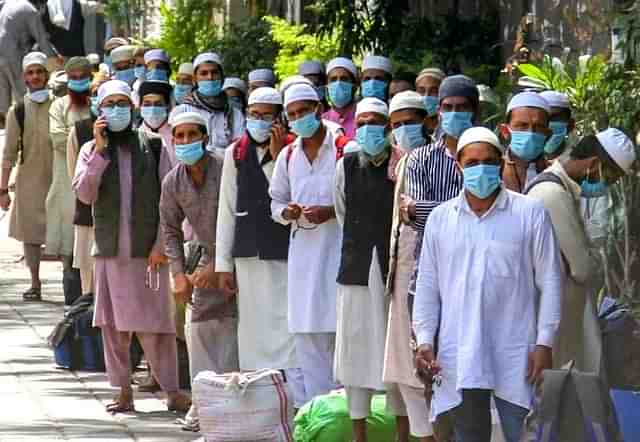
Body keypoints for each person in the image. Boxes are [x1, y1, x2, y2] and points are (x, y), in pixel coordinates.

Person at [413, 127, 564, 442]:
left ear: (500, 163)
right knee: (469, 435)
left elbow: (550, 280)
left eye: (489, 161)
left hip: (516, 351)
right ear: (458, 165)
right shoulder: (441, 219)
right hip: (460, 353)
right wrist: (425, 340)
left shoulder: (529, 213)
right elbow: (428, 286)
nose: (480, 168)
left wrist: (544, 343)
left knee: (524, 434)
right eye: (472, 162)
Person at [72, 80, 190, 414]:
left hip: (148, 253)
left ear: (133, 108)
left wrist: (160, 246)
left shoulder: (152, 145)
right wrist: (99, 151)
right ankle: (123, 391)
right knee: (113, 327)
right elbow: (84, 194)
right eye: (111, 104)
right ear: (100, 110)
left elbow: (171, 201)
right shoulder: (90, 150)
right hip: (110, 253)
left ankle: (171, 391)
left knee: (156, 326)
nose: (118, 110)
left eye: (124, 103)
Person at [216, 87, 302, 404]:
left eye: (268, 116)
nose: (260, 122)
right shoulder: (235, 154)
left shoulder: (295, 151)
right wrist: (223, 266)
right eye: (255, 115)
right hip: (249, 254)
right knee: (254, 329)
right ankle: (259, 399)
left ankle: (292, 398)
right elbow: (226, 210)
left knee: (288, 326)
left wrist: (279, 157)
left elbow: (296, 196)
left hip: (285, 253)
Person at [526, 128, 636, 371]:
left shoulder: (565, 191)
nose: (607, 184)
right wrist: (591, 258)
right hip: (550, 321)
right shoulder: (551, 194)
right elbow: (583, 268)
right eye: (610, 177)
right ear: (594, 163)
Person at [160, 111, 239, 431]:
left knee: (235, 334)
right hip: (203, 260)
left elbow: (240, 217)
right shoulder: (173, 180)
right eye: (179, 136)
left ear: (205, 137)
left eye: (192, 135)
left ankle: (235, 405)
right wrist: (178, 274)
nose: (185, 141)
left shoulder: (226, 168)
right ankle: (205, 406)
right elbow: (170, 230)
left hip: (237, 259)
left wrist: (220, 264)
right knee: (200, 332)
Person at [269, 83, 341, 405]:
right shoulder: (287, 155)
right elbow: (275, 202)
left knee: (340, 336)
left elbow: (360, 200)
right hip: (302, 256)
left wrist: (331, 212)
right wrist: (287, 212)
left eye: (304, 110)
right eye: (293, 114)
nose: (300, 118)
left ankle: (345, 417)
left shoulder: (342, 146)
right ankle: (318, 416)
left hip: (338, 253)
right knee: (307, 338)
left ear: (318, 108)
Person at [333, 97, 394, 442]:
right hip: (356, 267)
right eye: (364, 121)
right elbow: (342, 211)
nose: (370, 127)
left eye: (377, 121)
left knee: (394, 353)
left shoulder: (401, 163)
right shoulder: (346, 165)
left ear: (387, 127)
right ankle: (359, 435)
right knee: (356, 354)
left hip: (391, 270)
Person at [382, 91, 434, 442]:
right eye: (396, 124)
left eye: (410, 121)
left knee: (424, 361)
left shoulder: (439, 159)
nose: (403, 129)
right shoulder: (400, 162)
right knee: (403, 365)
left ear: (428, 122)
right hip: (401, 273)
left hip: (429, 272)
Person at [0, 52, 54, 301]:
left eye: (39, 71)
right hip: (28, 181)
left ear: (47, 74)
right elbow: (9, 153)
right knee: (31, 234)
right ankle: (35, 282)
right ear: (25, 77)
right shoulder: (18, 111)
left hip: (59, 178)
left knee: (64, 230)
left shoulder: (60, 106)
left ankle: (73, 283)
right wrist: (3, 190)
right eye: (30, 72)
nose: (35, 76)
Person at [47, 56, 93, 303]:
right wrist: (90, 140)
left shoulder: (100, 103)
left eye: (82, 77)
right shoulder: (59, 107)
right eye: (73, 78)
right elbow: (57, 139)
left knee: (92, 251)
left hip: (97, 186)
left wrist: (76, 138)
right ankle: (71, 307)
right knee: (69, 249)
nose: (77, 82)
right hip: (67, 186)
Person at [65, 72, 108, 299]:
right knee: (90, 291)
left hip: (123, 226)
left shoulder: (135, 135)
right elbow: (77, 179)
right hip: (88, 219)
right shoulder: (80, 132)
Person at [0, 0, 59, 124]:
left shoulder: (9, 3)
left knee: (3, 92)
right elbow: (41, 38)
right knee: (22, 92)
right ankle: (24, 126)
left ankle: (5, 126)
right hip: (13, 53)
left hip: (3, 51)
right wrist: (54, 57)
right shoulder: (29, 10)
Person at [182, 52, 245, 153]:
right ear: (195, 79)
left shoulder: (235, 114)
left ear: (222, 77)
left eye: (214, 72)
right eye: (204, 73)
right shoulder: (184, 111)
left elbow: (239, 148)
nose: (210, 77)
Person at [500, 92, 552, 193]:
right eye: (522, 126)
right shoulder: (494, 170)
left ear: (548, 134)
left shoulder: (555, 173)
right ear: (505, 131)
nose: (530, 133)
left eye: (538, 127)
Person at [138, 80, 175, 179]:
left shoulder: (177, 135)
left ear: (167, 106)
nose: (152, 108)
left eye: (158, 104)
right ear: (140, 106)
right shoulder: (135, 136)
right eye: (147, 104)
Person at [323, 57, 359, 138]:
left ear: (354, 85)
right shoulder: (322, 121)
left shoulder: (363, 117)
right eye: (333, 79)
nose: (338, 83)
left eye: (344, 79)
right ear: (327, 86)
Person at [539, 90, 575, 161]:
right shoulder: (519, 162)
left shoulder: (581, 159)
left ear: (570, 125)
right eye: (542, 118)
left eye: (553, 118)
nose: (547, 125)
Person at [414, 68, 445, 138]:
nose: (427, 95)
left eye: (433, 91)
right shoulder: (411, 125)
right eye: (422, 91)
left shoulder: (448, 127)